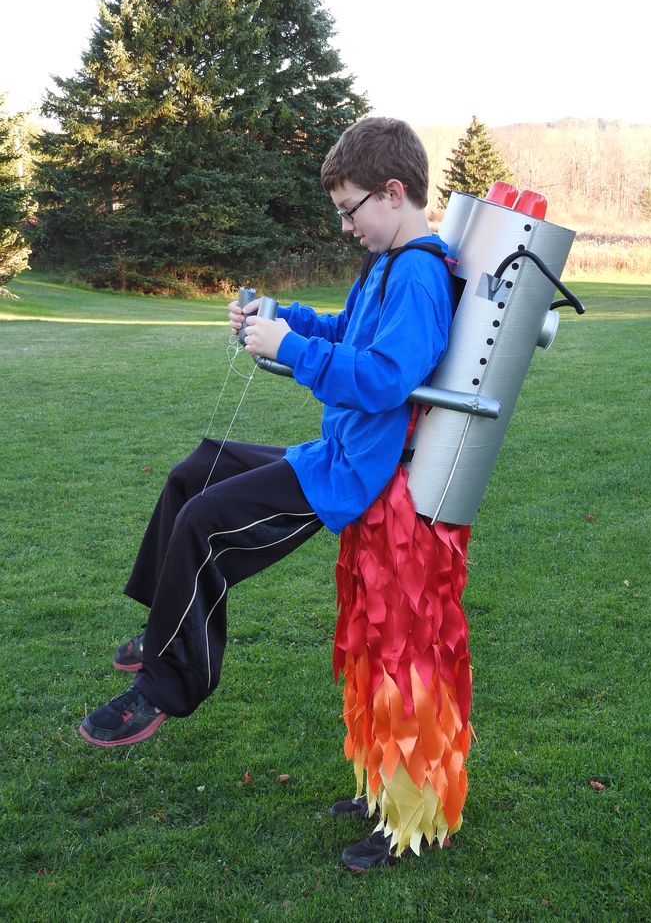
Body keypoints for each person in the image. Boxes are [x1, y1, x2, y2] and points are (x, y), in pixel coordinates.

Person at [79, 117, 463, 870]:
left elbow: (387, 377)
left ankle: (166, 684)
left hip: (348, 475)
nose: (345, 225)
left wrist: (291, 350)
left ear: (393, 192)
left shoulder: (418, 273)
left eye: (349, 210)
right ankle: (159, 626)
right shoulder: (388, 261)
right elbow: (347, 333)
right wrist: (279, 317)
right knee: (195, 470)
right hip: (330, 449)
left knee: (204, 523)